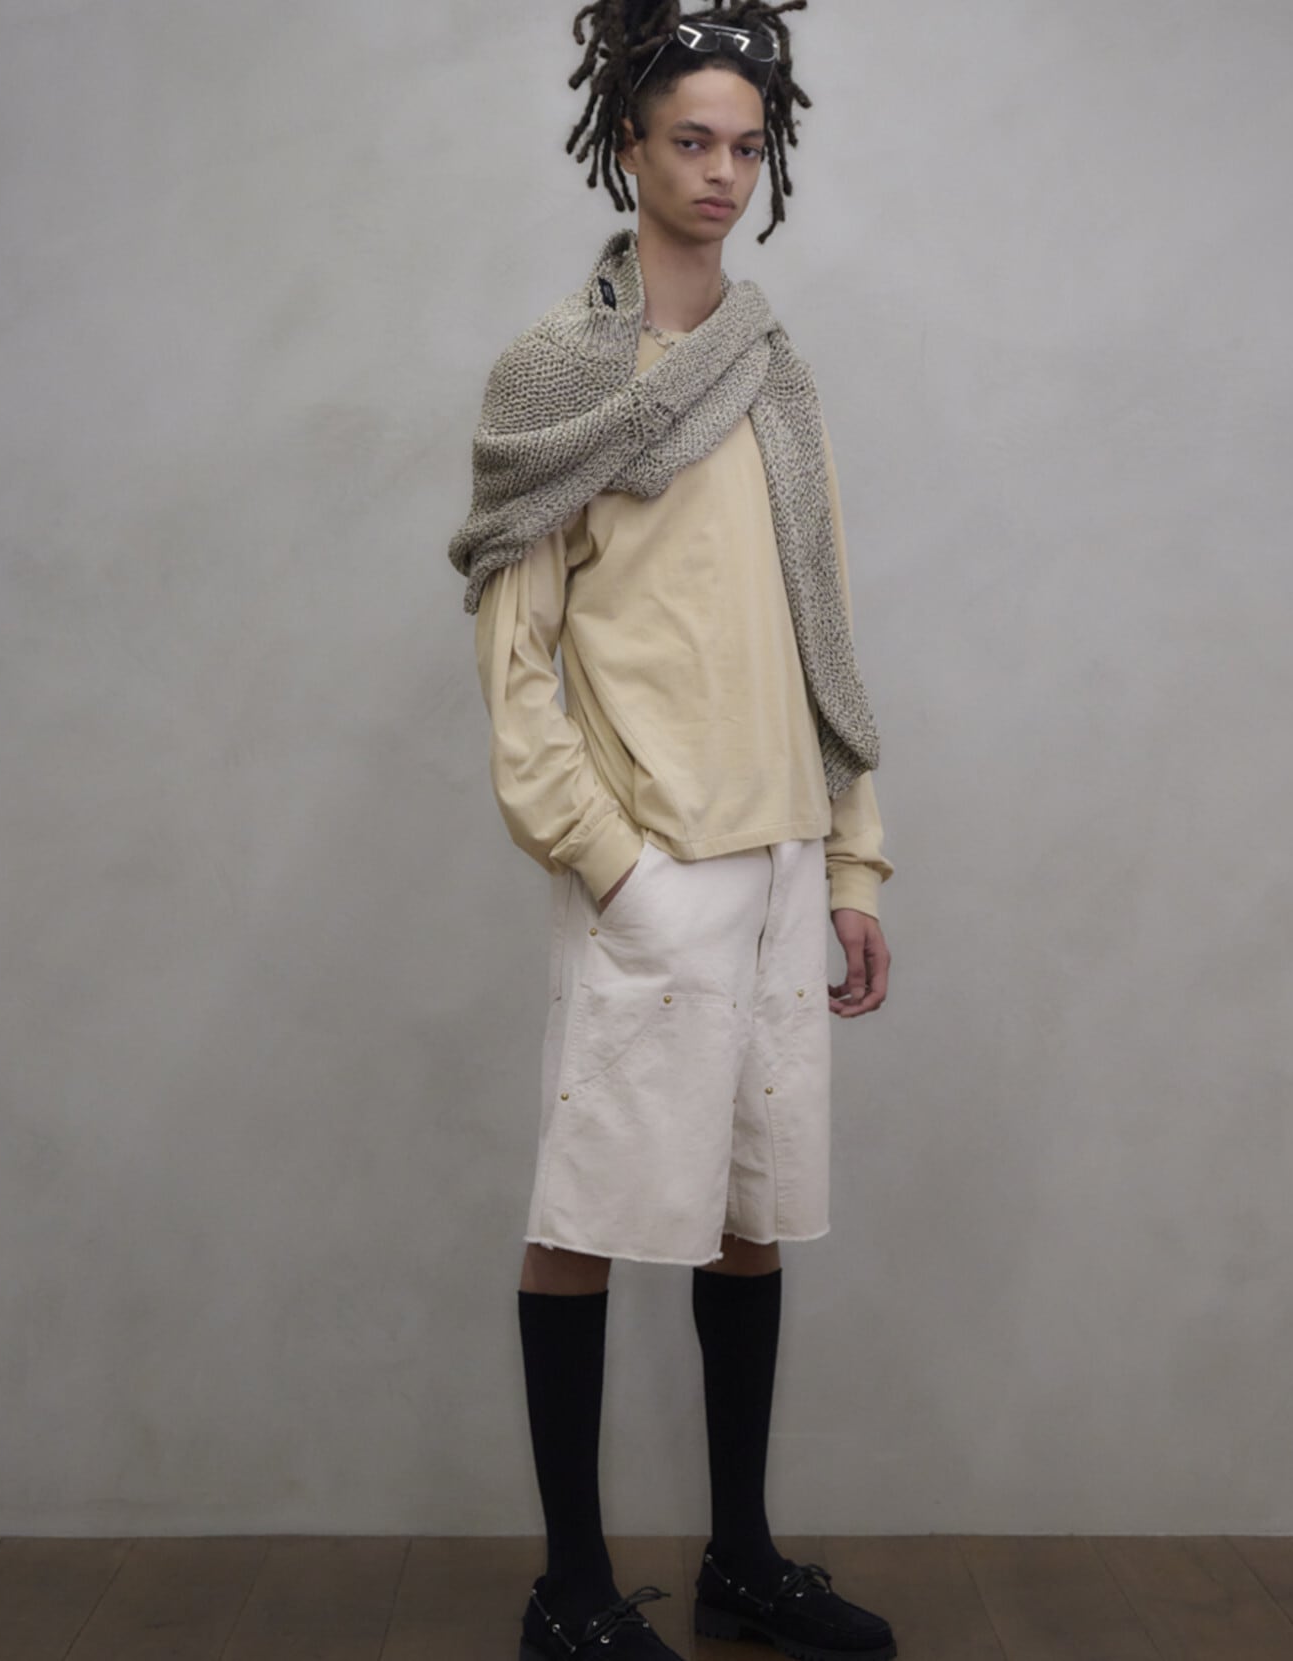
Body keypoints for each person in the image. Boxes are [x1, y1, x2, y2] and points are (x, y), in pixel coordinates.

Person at [449, 4, 897, 1656]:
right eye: (691, 140)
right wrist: (613, 865)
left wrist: (852, 857)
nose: (722, 171)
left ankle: (741, 1558)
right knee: (589, 1213)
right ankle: (569, 1590)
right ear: (626, 147)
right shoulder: (560, 377)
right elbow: (518, 665)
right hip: (647, 860)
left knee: (747, 1215)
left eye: (746, 145)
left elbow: (826, 629)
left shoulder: (775, 374)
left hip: (780, 852)